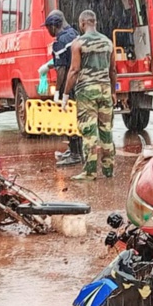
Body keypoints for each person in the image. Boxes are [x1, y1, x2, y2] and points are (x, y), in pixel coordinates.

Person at [62, 10, 117, 181]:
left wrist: (65, 94)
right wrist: (114, 91)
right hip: (105, 90)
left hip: (87, 92)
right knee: (106, 130)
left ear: (82, 23)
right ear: (95, 22)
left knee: (89, 131)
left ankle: (90, 171)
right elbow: (113, 69)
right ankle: (109, 169)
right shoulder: (108, 43)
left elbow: (74, 70)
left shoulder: (78, 43)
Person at [43, 10, 84, 166]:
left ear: (54, 26)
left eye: (48, 27)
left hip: (71, 84)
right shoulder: (73, 33)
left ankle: (75, 154)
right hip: (81, 82)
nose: (47, 31)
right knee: (77, 116)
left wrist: (59, 92)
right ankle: (75, 149)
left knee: (69, 116)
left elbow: (61, 70)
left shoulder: (60, 41)